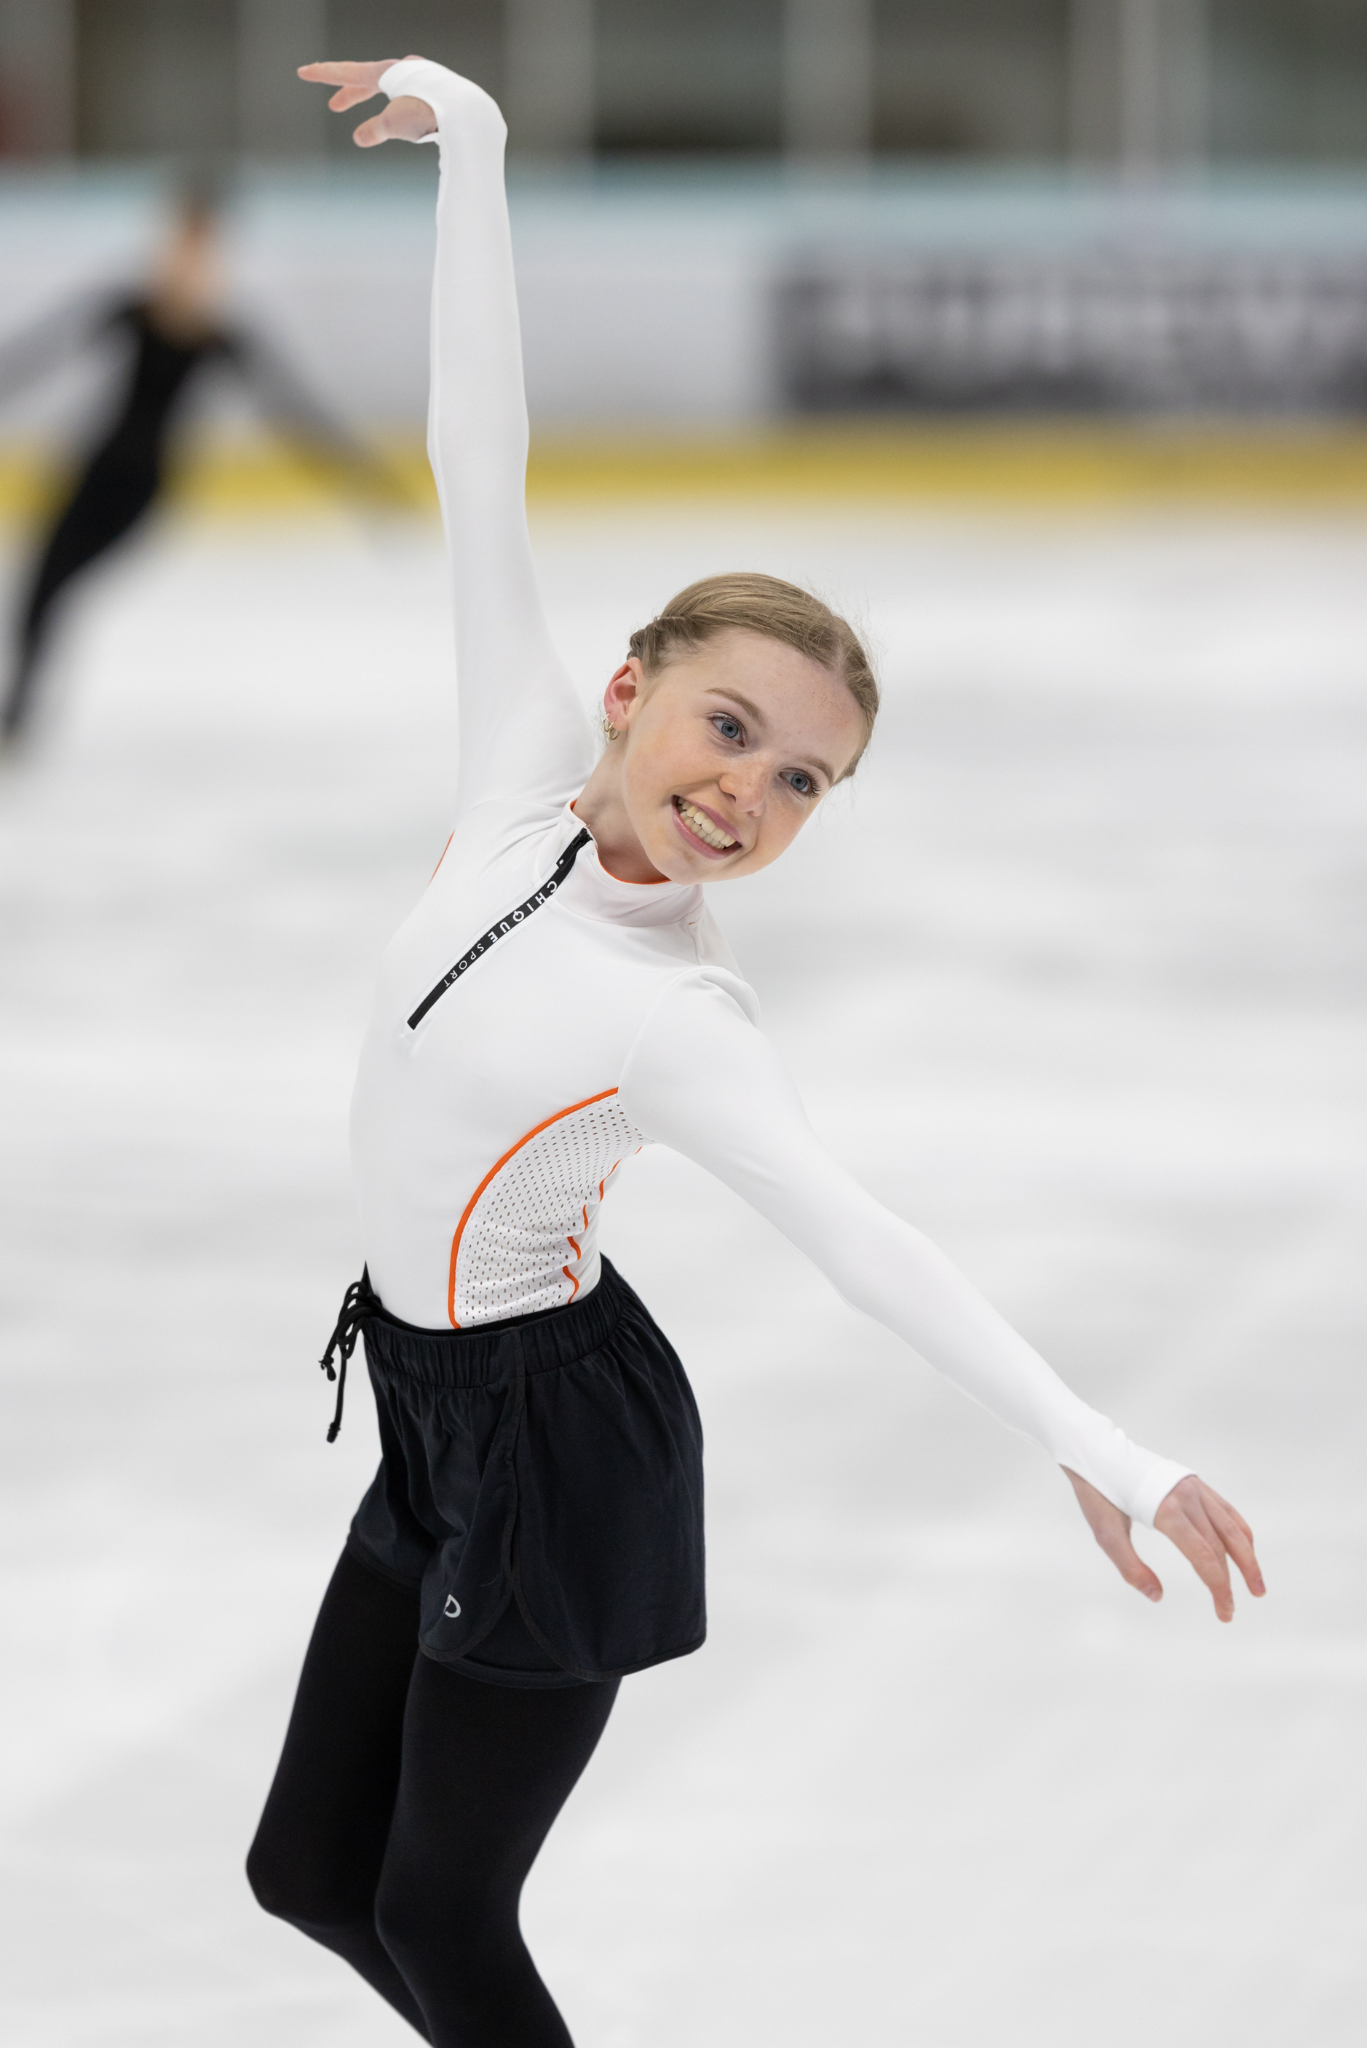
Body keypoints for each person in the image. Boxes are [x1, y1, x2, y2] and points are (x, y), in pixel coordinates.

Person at [246, 57, 1265, 2048]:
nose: (750, 791)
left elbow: (863, 1239)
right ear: (627, 691)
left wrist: (1104, 1450)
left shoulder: (674, 1015)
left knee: (443, 1915)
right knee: (310, 1873)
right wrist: (481, 150)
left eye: (802, 780)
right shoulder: (517, 767)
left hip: (557, 1449)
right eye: (727, 728)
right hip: (443, 1412)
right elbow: (482, 456)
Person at [0, 184, 395, 744]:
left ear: (214, 255)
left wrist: (370, 488)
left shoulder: (220, 337)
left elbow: (297, 416)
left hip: (142, 490)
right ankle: (17, 719)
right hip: (91, 470)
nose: (184, 257)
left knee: (56, 589)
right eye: (177, 241)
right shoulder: (130, 309)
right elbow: (29, 357)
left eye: (198, 246)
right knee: (39, 587)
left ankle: (16, 721)